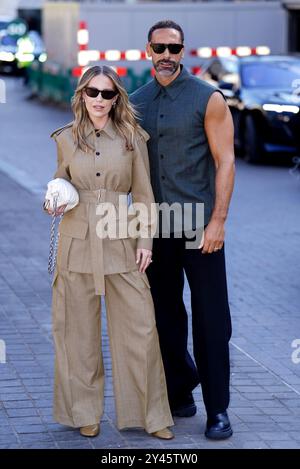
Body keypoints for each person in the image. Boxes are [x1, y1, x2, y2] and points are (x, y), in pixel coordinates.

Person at [47, 65, 174, 440]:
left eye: (107, 93)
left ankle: (152, 415)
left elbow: (145, 196)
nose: (99, 100)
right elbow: (59, 183)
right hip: (77, 240)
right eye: (92, 92)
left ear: (117, 97)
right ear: (81, 95)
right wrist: (53, 200)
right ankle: (84, 413)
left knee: (141, 330)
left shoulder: (133, 137)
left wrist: (146, 242)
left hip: (122, 238)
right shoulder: (66, 138)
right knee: (77, 335)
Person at [130, 20, 235, 440]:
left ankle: (218, 410)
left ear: (183, 50)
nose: (167, 55)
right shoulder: (134, 102)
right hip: (154, 228)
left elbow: (225, 160)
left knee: (212, 319)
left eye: (174, 48)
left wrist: (219, 221)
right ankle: (179, 389)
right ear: (148, 50)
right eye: (160, 47)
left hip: (199, 226)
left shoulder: (207, 98)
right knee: (162, 315)